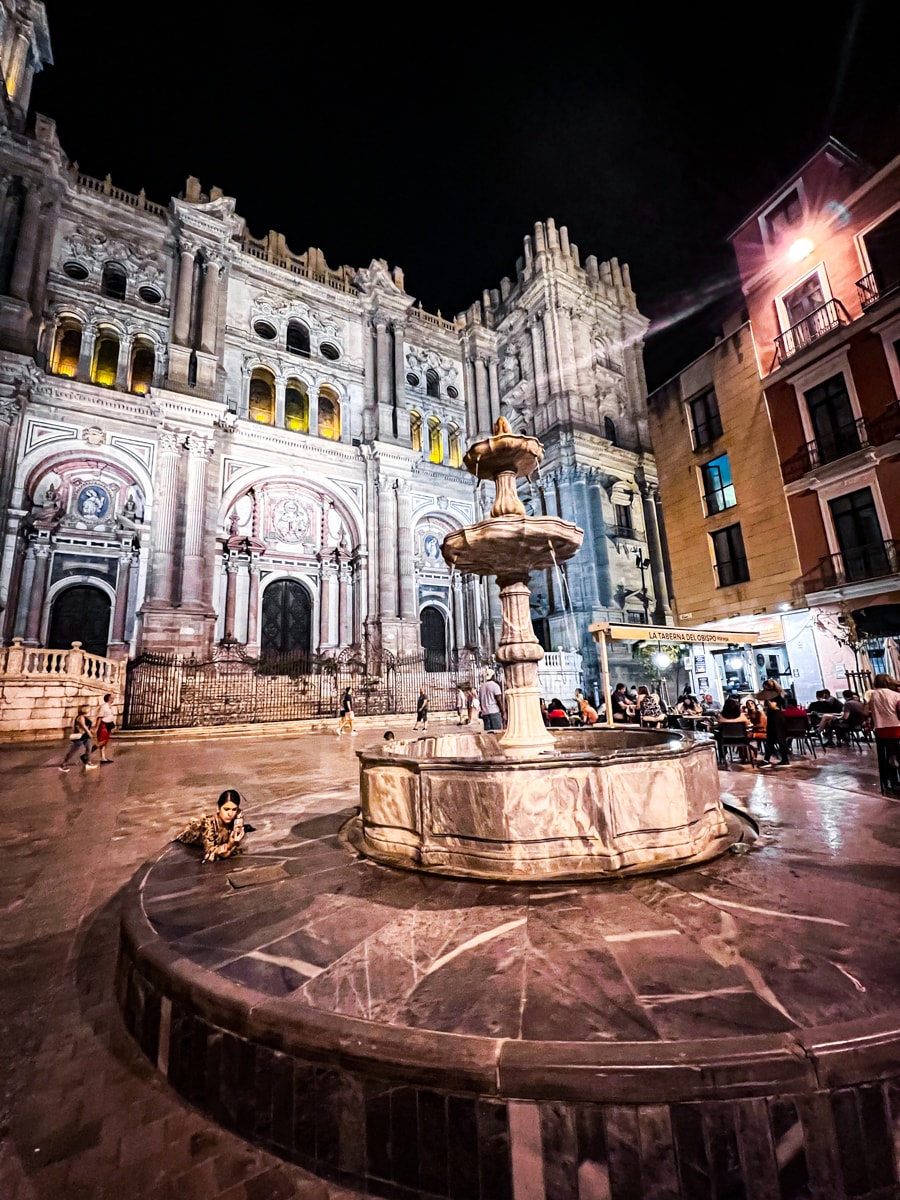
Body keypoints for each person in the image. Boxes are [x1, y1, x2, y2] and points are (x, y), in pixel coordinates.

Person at [175, 789, 247, 863]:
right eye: (226, 809)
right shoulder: (209, 824)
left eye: (234, 809)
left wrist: (238, 824)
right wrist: (230, 844)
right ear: (218, 809)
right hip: (187, 839)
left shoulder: (234, 821)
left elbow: (227, 853)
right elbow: (212, 853)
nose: (230, 813)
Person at [869, 674, 900, 793]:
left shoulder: (872, 695)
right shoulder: (896, 695)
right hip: (897, 728)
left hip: (881, 729)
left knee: (885, 755)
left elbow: (866, 711)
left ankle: (888, 783)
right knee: (897, 753)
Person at [756, 678, 789, 766]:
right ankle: (768, 760)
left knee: (779, 739)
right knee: (771, 739)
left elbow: (773, 707)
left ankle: (784, 760)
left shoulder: (774, 696)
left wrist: (766, 701)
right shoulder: (778, 694)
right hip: (775, 717)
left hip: (776, 718)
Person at [59, 706, 98, 771]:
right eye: (88, 708)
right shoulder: (80, 717)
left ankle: (88, 762)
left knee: (89, 748)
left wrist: (92, 731)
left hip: (85, 736)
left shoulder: (85, 717)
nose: (89, 709)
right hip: (80, 736)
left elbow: (88, 726)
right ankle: (64, 763)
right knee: (73, 750)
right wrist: (89, 733)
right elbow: (84, 726)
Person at [95, 692, 116, 764]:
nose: (113, 699)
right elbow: (100, 717)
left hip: (109, 725)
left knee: (105, 742)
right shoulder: (104, 706)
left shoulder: (111, 706)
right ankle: (87, 754)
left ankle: (103, 757)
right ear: (109, 698)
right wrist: (97, 727)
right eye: (112, 698)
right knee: (102, 741)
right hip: (104, 725)